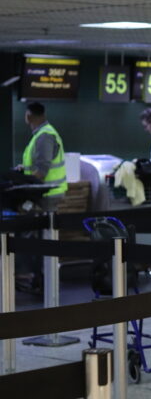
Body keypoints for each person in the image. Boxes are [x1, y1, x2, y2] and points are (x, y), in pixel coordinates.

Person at [16, 102, 67, 293]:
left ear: (28, 115)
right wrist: (23, 171)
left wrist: (24, 181)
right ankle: (40, 279)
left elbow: (42, 170)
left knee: (43, 240)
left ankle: (44, 281)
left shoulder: (45, 135)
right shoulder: (42, 133)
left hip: (47, 195)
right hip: (43, 194)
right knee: (39, 238)